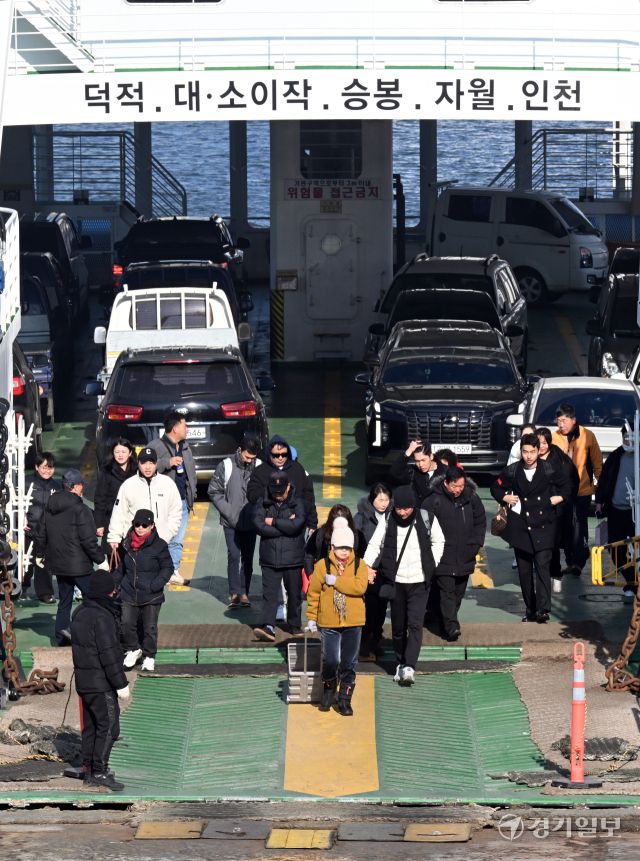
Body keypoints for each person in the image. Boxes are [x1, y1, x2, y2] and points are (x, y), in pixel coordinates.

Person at [363, 485, 445, 686]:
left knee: (415, 624)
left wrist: (431, 563)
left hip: (419, 581)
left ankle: (409, 665)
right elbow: (375, 544)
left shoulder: (426, 518)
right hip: (396, 581)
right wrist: (365, 566)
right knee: (398, 627)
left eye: (407, 508)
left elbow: (439, 541)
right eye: (399, 508)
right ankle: (400, 662)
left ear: (413, 506)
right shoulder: (388, 518)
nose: (403, 512)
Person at [491, 433, 571, 623]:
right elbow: (496, 486)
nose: (528, 456)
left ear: (538, 452)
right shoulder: (512, 471)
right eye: (525, 452)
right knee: (524, 572)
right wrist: (505, 497)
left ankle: (543, 609)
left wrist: (558, 498)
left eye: (532, 452)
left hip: (544, 525)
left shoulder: (549, 469)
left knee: (542, 567)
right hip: (520, 527)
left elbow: (567, 485)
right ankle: (530, 609)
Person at [71, 570, 130, 792]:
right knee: (109, 727)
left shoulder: (79, 613)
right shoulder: (102, 617)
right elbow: (109, 655)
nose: (115, 593)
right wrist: (121, 685)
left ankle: (89, 768)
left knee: (92, 726)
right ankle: (99, 771)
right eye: (112, 590)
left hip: (84, 682)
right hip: (101, 684)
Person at [36, 468, 108, 646]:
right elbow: (88, 541)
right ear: (75, 487)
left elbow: (41, 533)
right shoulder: (80, 509)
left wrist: (40, 553)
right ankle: (94, 635)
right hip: (80, 566)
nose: (82, 487)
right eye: (81, 484)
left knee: (65, 601)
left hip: (59, 565)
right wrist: (101, 560)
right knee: (94, 600)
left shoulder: (50, 506)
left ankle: (61, 638)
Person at [305, 524, 368, 715]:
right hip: (329, 622)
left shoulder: (360, 565)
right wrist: (311, 618)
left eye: (348, 548)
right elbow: (314, 592)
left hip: (353, 622)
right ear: (332, 547)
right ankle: (329, 688)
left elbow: (360, 587)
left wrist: (337, 582)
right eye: (341, 547)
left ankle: (345, 699)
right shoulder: (321, 566)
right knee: (331, 659)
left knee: (349, 663)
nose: (344, 552)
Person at [422, 466, 486, 641]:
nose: (458, 490)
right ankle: (451, 626)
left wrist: (476, 542)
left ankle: (444, 620)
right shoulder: (433, 501)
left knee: (458, 592)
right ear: (446, 483)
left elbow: (480, 520)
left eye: (461, 486)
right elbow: (423, 526)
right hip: (443, 557)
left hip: (466, 555)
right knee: (447, 592)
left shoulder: (471, 498)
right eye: (454, 486)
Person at [107, 447, 182, 582]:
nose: (147, 467)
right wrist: (114, 536)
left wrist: (167, 533)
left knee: (155, 580)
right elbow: (119, 512)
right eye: (143, 463)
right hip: (134, 543)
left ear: (156, 464)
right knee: (134, 579)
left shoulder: (168, 484)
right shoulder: (128, 485)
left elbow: (176, 511)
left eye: (151, 463)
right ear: (138, 463)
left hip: (159, 543)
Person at [114, 508, 173, 673]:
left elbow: (167, 568)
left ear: (152, 526)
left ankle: (149, 656)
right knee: (126, 624)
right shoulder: (126, 544)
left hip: (151, 595)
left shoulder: (160, 546)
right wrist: (113, 585)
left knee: (149, 628)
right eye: (137, 524)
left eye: (144, 525)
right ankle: (133, 649)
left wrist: (155, 585)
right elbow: (121, 568)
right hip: (128, 592)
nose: (140, 528)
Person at [208, 433, 262, 608]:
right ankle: (234, 593)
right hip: (231, 522)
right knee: (233, 555)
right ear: (240, 451)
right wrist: (229, 512)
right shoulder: (226, 465)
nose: (249, 461)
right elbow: (214, 491)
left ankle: (244, 592)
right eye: (247, 457)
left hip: (251, 521)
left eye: (252, 458)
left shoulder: (259, 466)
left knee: (247, 558)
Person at [252, 472, 306, 642]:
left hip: (293, 558)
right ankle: (268, 626)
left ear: (288, 486)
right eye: (275, 491)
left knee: (295, 593)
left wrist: (274, 522)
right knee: (269, 594)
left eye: (281, 491)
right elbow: (259, 525)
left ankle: (294, 624)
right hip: (270, 558)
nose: (278, 494)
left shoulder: (298, 502)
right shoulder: (262, 501)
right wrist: (286, 526)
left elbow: (297, 525)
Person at [552, 403, 602, 576]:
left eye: (564, 421)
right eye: (558, 421)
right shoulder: (554, 438)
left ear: (573, 420)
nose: (561, 425)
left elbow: (597, 464)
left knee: (579, 526)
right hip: (561, 493)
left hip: (582, 491)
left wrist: (598, 489)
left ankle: (578, 561)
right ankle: (571, 561)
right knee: (565, 527)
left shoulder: (587, 436)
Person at [149, 411, 197, 585]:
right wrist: (167, 463)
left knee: (177, 539)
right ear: (175, 428)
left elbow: (191, 472)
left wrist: (193, 494)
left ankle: (172, 571)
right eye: (185, 425)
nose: (187, 428)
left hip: (182, 501)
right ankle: (159, 570)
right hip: (163, 502)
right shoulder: (156, 446)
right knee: (162, 537)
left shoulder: (185, 446)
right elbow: (146, 468)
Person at [595, 425, 637, 600]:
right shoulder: (615, 456)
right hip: (616, 510)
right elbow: (605, 478)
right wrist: (599, 501)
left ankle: (635, 583)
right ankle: (631, 579)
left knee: (637, 548)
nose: (629, 440)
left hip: (636, 512)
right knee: (615, 548)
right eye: (626, 437)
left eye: (632, 437)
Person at [535, 427, 580, 587]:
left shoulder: (560, 460)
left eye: (544, 443)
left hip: (556, 509)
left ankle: (555, 573)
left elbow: (572, 481)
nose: (541, 446)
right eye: (538, 443)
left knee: (553, 543)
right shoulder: (530, 459)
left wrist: (562, 499)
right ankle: (545, 573)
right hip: (535, 507)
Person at [354, 483, 393, 660]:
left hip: (386, 570)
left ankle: (375, 641)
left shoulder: (393, 517)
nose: (383, 503)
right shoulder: (362, 517)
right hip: (367, 569)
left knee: (381, 607)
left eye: (386, 499)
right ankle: (364, 643)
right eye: (380, 499)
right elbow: (355, 542)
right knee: (369, 606)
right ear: (372, 499)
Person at [247, 435, 318, 530]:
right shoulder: (260, 471)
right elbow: (252, 495)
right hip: (270, 526)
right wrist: (270, 491)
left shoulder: (297, 469)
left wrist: (312, 523)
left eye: (284, 454)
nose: (280, 458)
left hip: (294, 524)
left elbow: (308, 497)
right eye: (276, 455)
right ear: (269, 454)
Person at [24, 451, 60, 604]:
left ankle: (45, 593)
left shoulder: (57, 486)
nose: (47, 471)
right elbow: (15, 504)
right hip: (28, 530)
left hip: (47, 532)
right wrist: (21, 521)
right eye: (44, 467)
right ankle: (20, 587)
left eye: (50, 468)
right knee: (25, 561)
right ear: (36, 467)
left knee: (44, 563)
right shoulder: (26, 483)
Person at [93, 438, 138, 551]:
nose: (120, 455)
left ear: (130, 453)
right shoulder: (106, 471)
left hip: (134, 518)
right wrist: (99, 523)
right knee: (114, 556)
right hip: (111, 519)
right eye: (117, 452)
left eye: (123, 452)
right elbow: (100, 499)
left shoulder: (137, 470)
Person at [304, 504, 366, 581]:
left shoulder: (358, 536)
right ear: (330, 523)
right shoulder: (320, 534)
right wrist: (311, 574)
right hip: (323, 577)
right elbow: (309, 556)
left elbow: (364, 559)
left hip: (350, 579)